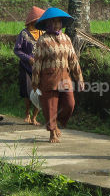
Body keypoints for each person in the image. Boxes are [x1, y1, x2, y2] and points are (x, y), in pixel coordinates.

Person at [31, 7, 84, 143]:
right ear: (47, 24)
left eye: (58, 22)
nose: (56, 25)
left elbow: (73, 60)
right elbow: (37, 64)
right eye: (53, 22)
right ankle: (52, 133)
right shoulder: (43, 41)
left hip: (65, 77)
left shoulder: (66, 38)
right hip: (48, 79)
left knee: (69, 104)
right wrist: (35, 83)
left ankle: (57, 123)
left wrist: (79, 78)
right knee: (50, 107)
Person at [14, 6, 45, 126]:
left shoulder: (42, 33)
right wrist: (28, 58)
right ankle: (27, 113)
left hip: (40, 68)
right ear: (33, 21)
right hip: (26, 68)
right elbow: (17, 50)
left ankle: (35, 117)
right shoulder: (24, 34)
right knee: (28, 92)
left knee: (40, 92)